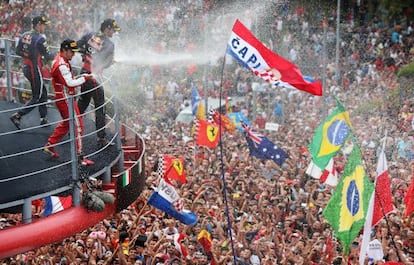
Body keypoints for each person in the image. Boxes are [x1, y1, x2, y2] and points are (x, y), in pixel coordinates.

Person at [43, 39, 94, 166]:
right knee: (78, 127)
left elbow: (67, 80)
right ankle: (79, 157)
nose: (73, 54)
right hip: (65, 99)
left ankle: (50, 145)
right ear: (64, 50)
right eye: (72, 52)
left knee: (67, 124)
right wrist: (84, 78)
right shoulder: (61, 65)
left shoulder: (60, 60)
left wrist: (79, 78)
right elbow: (70, 83)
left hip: (63, 97)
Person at [77, 18, 120, 146]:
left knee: (83, 102)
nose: (114, 33)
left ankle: (70, 128)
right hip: (94, 77)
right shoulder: (109, 44)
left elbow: (78, 45)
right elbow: (105, 63)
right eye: (113, 30)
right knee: (100, 106)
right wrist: (110, 62)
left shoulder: (90, 35)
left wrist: (84, 54)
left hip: (84, 73)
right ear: (107, 28)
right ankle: (101, 138)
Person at [10, 15, 53, 129]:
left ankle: (43, 118)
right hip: (34, 69)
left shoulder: (24, 34)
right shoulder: (40, 38)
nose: (45, 27)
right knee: (37, 96)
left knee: (43, 91)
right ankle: (18, 115)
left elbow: (18, 51)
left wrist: (28, 56)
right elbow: (48, 55)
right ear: (38, 25)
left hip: (26, 67)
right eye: (44, 25)